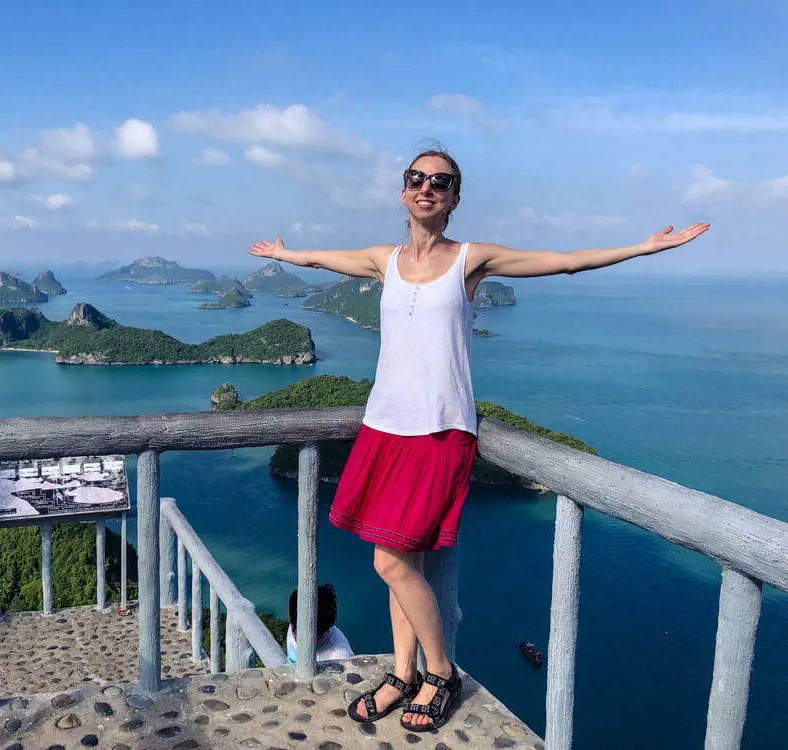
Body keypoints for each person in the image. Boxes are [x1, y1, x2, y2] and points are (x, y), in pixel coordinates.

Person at [249, 146, 708, 731]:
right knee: (402, 558)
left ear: (455, 198)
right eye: (416, 179)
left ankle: (440, 672)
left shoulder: (471, 259)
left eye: (441, 182)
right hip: (384, 425)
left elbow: (563, 262)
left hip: (439, 430)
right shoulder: (381, 259)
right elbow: (321, 259)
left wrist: (644, 247)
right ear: (402, 191)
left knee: (388, 562)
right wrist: (285, 253)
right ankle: (401, 672)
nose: (427, 188)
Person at [285, 584, 354, 664]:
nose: (298, 638)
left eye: (308, 634)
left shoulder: (339, 659)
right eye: (297, 631)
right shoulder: (297, 617)